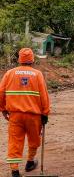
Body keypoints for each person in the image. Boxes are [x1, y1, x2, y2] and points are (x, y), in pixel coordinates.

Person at [0, 48, 50, 177]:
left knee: (15, 142)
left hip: (15, 115)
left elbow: (1, 93)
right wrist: (45, 113)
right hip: (34, 116)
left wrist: (3, 109)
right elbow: (44, 96)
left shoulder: (9, 73)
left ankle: (15, 171)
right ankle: (29, 162)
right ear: (32, 60)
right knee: (34, 140)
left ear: (19, 59)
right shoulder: (38, 74)